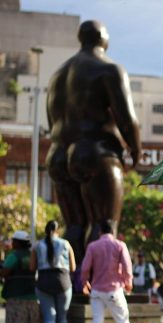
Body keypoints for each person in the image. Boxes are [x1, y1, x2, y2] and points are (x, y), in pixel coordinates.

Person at [46, 20, 141, 265]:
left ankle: (73, 280)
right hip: (95, 150)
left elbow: (51, 123)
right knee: (104, 225)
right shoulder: (109, 69)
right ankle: (99, 282)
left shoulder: (57, 76)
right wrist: (135, 150)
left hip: (58, 154)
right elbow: (127, 120)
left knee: (75, 225)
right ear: (102, 38)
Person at [81, 220, 145, 323]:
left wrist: (85, 282)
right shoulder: (120, 245)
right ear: (113, 231)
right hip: (113, 290)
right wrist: (128, 282)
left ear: (100, 232)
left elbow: (85, 267)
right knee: (123, 321)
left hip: (96, 291)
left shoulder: (92, 246)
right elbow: (127, 267)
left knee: (97, 321)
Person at [30, 220, 76, 323]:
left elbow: (32, 267)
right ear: (58, 230)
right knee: (62, 318)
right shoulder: (66, 244)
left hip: (44, 282)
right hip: (63, 282)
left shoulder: (37, 245)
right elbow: (73, 268)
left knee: (49, 318)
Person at [0, 230, 40, 323]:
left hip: (16, 294)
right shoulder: (32, 254)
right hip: (32, 294)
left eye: (13, 241)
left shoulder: (14, 255)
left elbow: (5, 272)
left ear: (17, 243)